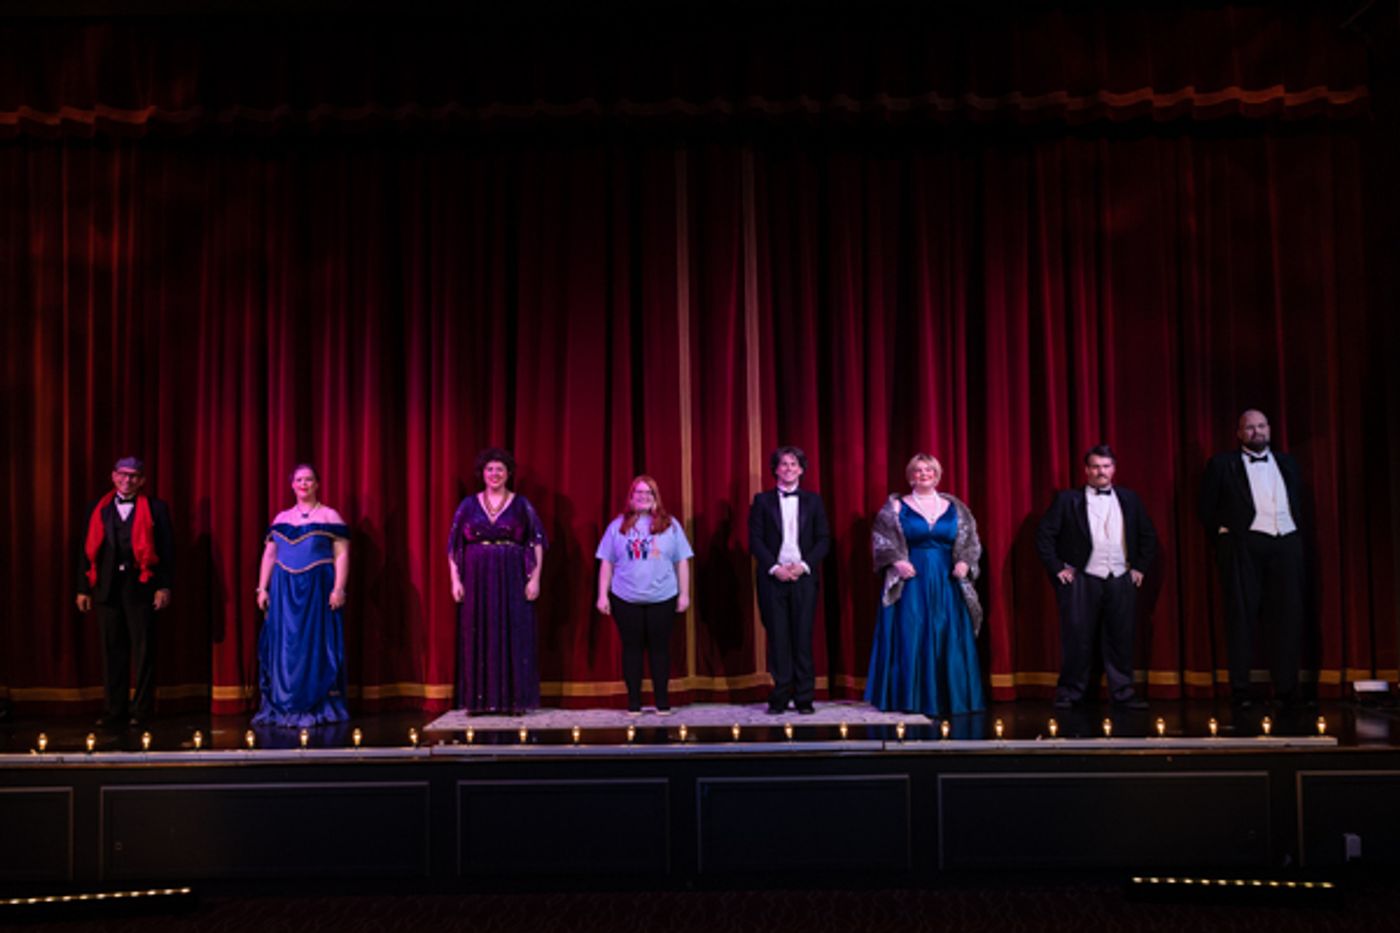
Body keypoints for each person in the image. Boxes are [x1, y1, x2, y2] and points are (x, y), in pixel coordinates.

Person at [1035, 445, 1158, 711]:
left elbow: (1148, 536)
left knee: (1120, 638)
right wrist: (1058, 568)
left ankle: (1123, 693)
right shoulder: (1068, 500)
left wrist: (1138, 568)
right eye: (1095, 466)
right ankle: (1070, 693)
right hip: (1083, 578)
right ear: (1086, 470)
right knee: (1077, 638)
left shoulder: (1130, 499)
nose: (1101, 471)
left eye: (1106, 466)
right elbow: (1044, 536)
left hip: (1120, 576)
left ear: (1114, 468)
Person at [1199, 409, 1307, 709]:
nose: (1256, 432)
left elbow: (1298, 500)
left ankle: (1287, 689)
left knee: (1288, 616)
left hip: (1286, 542)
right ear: (1239, 433)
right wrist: (1225, 540)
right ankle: (1241, 690)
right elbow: (1206, 508)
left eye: (1261, 426)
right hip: (1244, 545)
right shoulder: (1222, 464)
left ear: (1269, 429)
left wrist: (1296, 538)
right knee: (1241, 617)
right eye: (1250, 427)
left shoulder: (1288, 463)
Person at [866, 454, 985, 717]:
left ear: (937, 474)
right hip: (912, 579)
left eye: (929, 470)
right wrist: (896, 560)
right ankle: (911, 697)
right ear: (911, 475)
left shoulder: (956, 507)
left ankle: (951, 697)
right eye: (918, 470)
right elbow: (881, 540)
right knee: (912, 631)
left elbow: (971, 542)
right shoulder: (896, 507)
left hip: (946, 578)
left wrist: (965, 562)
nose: (923, 474)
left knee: (947, 631)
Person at [75, 456, 174, 728]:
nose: (128, 480)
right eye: (123, 474)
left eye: (134, 476)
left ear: (141, 480)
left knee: (143, 653)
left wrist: (163, 586)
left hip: (141, 588)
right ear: (113, 476)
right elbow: (85, 550)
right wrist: (83, 589)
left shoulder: (156, 508)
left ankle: (141, 711)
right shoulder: (97, 508)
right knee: (111, 652)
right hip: (106, 589)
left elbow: (166, 551)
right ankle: (114, 710)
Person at [448, 447, 547, 713]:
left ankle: (514, 700)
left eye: (500, 469)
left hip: (512, 575)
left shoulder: (521, 504)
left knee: (513, 630)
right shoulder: (468, 505)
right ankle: (478, 701)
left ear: (508, 473)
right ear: (482, 473)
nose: (495, 474)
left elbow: (536, 543)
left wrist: (534, 579)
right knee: (477, 631)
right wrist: (455, 581)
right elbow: (454, 546)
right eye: (490, 469)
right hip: (476, 576)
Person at [252, 464, 351, 727]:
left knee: (315, 644)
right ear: (292, 485)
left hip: (318, 589)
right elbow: (270, 555)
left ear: (317, 484)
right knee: (287, 647)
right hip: (284, 591)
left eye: (309, 480)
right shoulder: (281, 518)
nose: (304, 484)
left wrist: (339, 587)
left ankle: (318, 703)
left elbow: (341, 554)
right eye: (299, 480)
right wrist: (263, 587)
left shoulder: (330, 516)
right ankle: (286, 702)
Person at [595, 475, 693, 715]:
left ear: (655, 498)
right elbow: (606, 562)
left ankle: (662, 701)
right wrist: (602, 595)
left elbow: (682, 561)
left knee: (660, 650)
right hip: (625, 598)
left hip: (662, 598)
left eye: (648, 493)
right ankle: (634, 702)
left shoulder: (671, 525)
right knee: (632, 650)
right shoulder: (617, 526)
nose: (643, 497)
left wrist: (684, 594)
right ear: (631, 497)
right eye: (638, 493)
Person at [748, 446, 831, 714]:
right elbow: (755, 540)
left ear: (801, 470)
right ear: (775, 469)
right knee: (778, 638)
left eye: (793, 464)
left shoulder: (814, 501)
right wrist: (775, 567)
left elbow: (823, 540)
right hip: (773, 579)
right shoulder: (761, 501)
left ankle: (804, 697)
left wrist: (804, 566)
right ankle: (780, 695)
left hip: (804, 578)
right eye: (783, 464)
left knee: (803, 637)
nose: (788, 469)